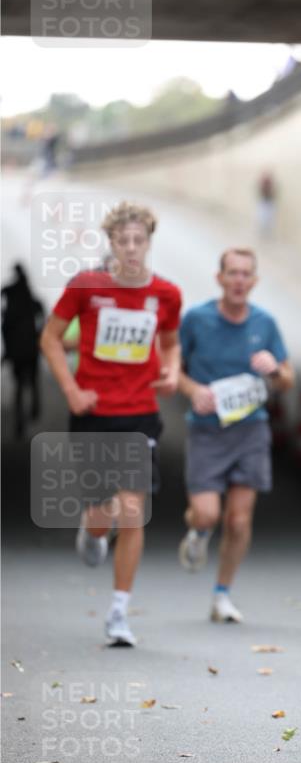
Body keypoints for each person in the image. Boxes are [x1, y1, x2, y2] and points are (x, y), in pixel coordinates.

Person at [40, 202, 181, 647]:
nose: (132, 248)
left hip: (140, 415)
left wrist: (173, 371)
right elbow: (50, 339)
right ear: (112, 243)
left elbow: (170, 343)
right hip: (93, 414)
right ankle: (92, 529)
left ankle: (119, 612)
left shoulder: (166, 294)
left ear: (149, 242)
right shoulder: (86, 287)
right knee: (102, 515)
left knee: (133, 512)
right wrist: (71, 391)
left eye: (139, 240)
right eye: (124, 241)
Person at [178, 247, 294, 622]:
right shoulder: (197, 319)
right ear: (220, 278)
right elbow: (171, 369)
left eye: (246, 274)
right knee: (207, 514)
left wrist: (274, 370)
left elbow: (287, 380)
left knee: (238, 520)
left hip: (250, 430)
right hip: (207, 431)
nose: (239, 280)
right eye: (233, 273)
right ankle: (198, 530)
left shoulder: (265, 323)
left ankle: (222, 594)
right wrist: (193, 390)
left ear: (254, 281)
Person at [1, 263, 44, 438]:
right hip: (30, 349)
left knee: (20, 386)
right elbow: (41, 316)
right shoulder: (28, 296)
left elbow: (6, 329)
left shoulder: (12, 297)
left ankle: (21, 419)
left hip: (18, 351)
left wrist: (7, 352)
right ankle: (33, 409)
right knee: (32, 382)